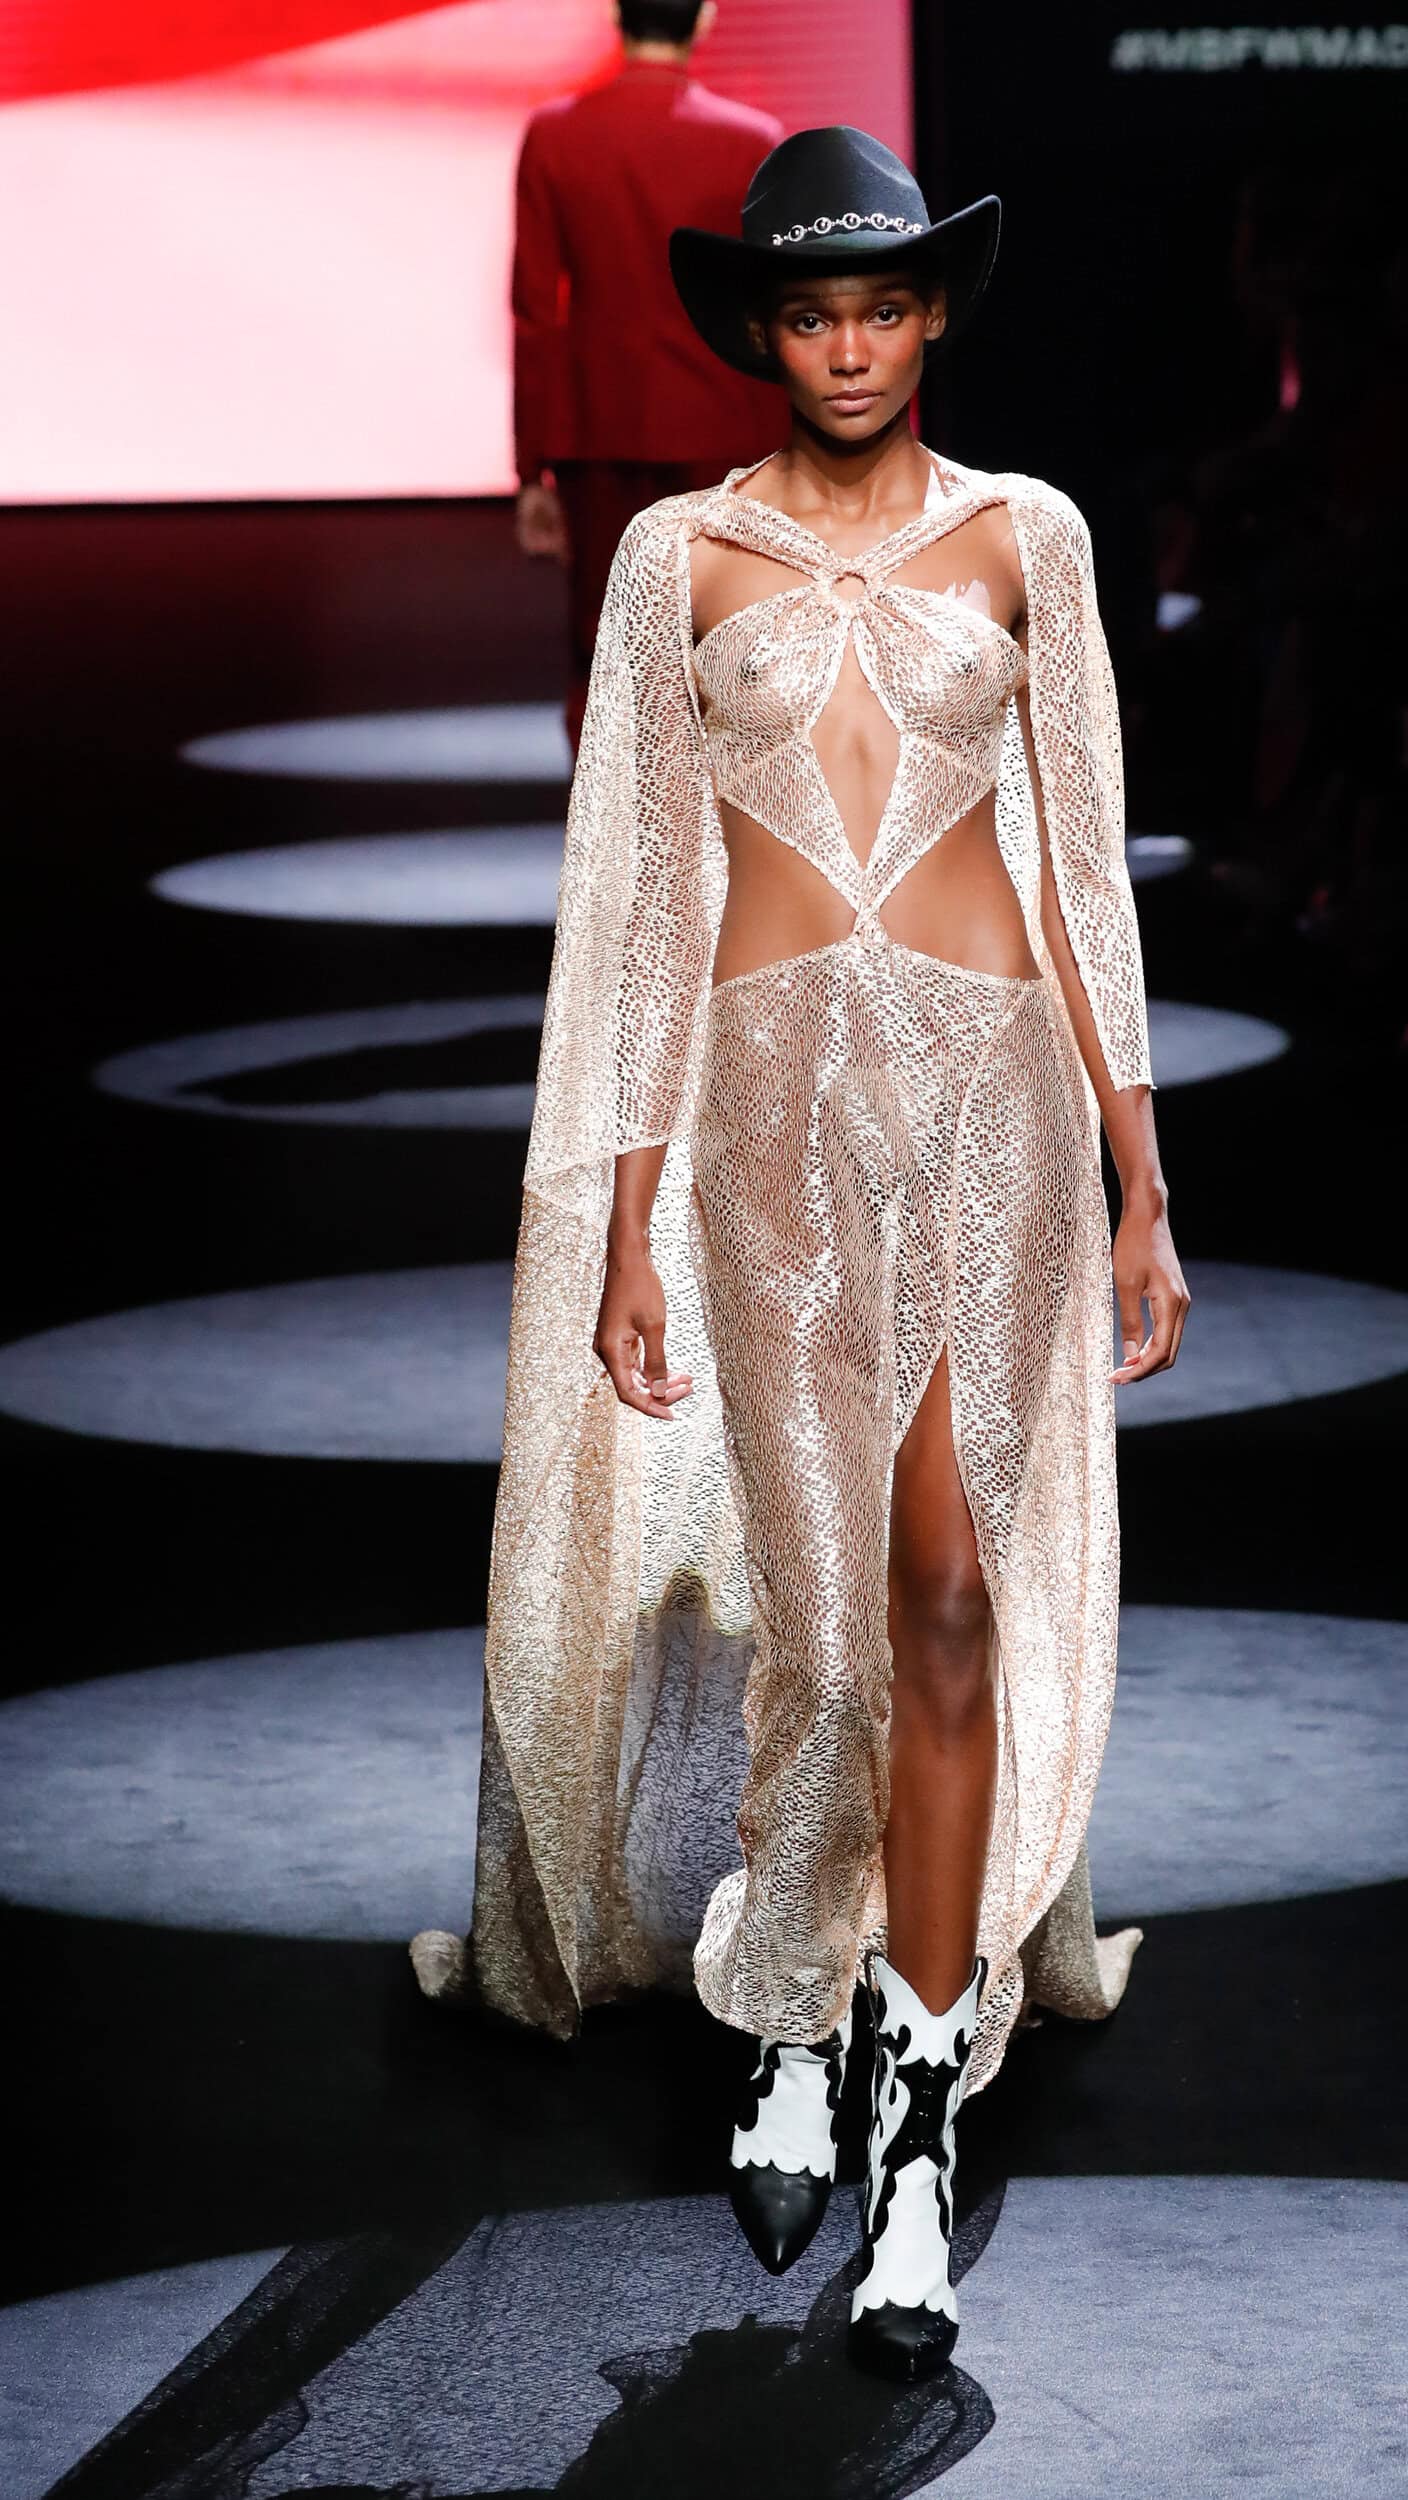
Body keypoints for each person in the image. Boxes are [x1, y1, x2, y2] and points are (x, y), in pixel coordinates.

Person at [414, 126, 1188, 2385]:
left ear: (934, 316)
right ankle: (781, 2006)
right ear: (764, 330)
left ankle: (912, 2131)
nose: (849, 346)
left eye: (885, 306)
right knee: (824, 1626)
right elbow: (644, 902)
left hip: (992, 1114)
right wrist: (625, 1215)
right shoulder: (677, 557)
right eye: (811, 311)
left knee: (944, 1603)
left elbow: (1087, 866)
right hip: (762, 1129)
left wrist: (1143, 1177)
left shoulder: (1027, 535)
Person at [510, 0, 782, 744]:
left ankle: (615, 819)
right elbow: (773, 306)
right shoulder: (750, 142)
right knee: (731, 647)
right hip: (727, 429)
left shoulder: (556, 134)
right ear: (704, 18)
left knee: (608, 650)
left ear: (615, 13)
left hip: (601, 428)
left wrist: (531, 469)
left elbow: (535, 312)